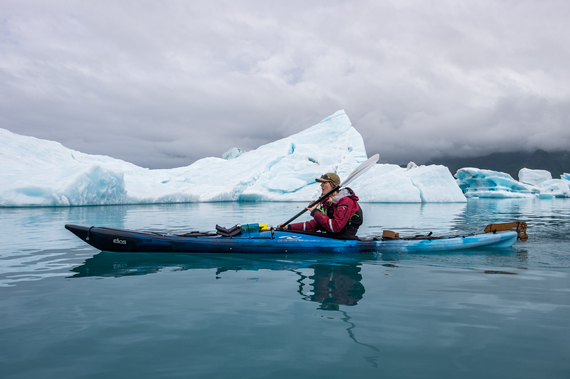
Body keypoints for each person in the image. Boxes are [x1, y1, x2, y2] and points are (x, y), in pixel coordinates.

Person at [279, 172, 363, 239]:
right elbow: (315, 225)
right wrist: (288, 227)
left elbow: (335, 227)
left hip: (344, 238)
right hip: (333, 237)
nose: (321, 185)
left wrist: (315, 212)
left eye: (324, 182)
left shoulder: (345, 201)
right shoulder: (328, 203)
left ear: (333, 184)